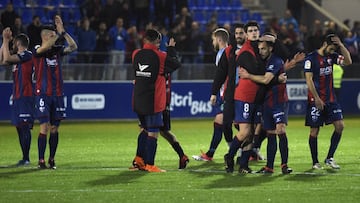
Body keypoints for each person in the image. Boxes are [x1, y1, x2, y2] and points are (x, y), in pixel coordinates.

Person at [239, 34, 305, 174]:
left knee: (280, 130)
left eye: (263, 49)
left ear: (270, 48)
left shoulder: (275, 60)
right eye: (260, 49)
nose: (261, 51)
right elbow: (275, 73)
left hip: (279, 102)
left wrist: (248, 75)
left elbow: (265, 80)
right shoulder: (263, 61)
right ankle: (269, 166)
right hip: (266, 102)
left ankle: (284, 165)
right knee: (270, 133)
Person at [131, 29, 181, 172]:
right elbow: (175, 64)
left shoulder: (135, 54)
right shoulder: (160, 56)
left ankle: (139, 161)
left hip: (138, 99)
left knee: (144, 129)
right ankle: (150, 164)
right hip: (153, 100)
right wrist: (171, 49)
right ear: (158, 41)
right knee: (153, 131)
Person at [33, 15, 78, 169]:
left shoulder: (57, 51)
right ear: (45, 36)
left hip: (57, 94)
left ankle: (52, 159)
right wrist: (57, 34)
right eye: (51, 34)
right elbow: (44, 48)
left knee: (54, 128)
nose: (54, 36)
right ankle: (41, 160)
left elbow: (73, 47)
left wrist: (63, 33)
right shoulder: (37, 49)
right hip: (43, 94)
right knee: (44, 127)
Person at [304, 34, 352, 170]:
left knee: (340, 126)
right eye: (331, 48)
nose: (333, 52)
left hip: (331, 99)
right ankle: (315, 161)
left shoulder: (332, 57)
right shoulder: (311, 58)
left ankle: (329, 157)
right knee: (314, 131)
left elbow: (348, 61)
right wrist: (317, 98)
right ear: (325, 44)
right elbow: (309, 80)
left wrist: (341, 45)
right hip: (316, 100)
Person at [192, 28, 234, 162]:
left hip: (228, 93)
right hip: (226, 93)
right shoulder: (226, 53)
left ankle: (210, 154)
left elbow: (222, 76)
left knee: (219, 121)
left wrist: (215, 93)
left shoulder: (224, 54)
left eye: (213, 39)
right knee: (226, 125)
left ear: (219, 39)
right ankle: (234, 149)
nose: (212, 42)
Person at [0, 28, 34, 166]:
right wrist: (5, 41)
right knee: (19, 127)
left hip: (26, 95)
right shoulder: (18, 59)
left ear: (18, 43)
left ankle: (26, 158)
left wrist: (6, 40)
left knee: (24, 126)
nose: (12, 46)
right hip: (18, 96)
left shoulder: (27, 55)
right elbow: (2, 60)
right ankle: (24, 158)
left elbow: (6, 57)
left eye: (13, 43)